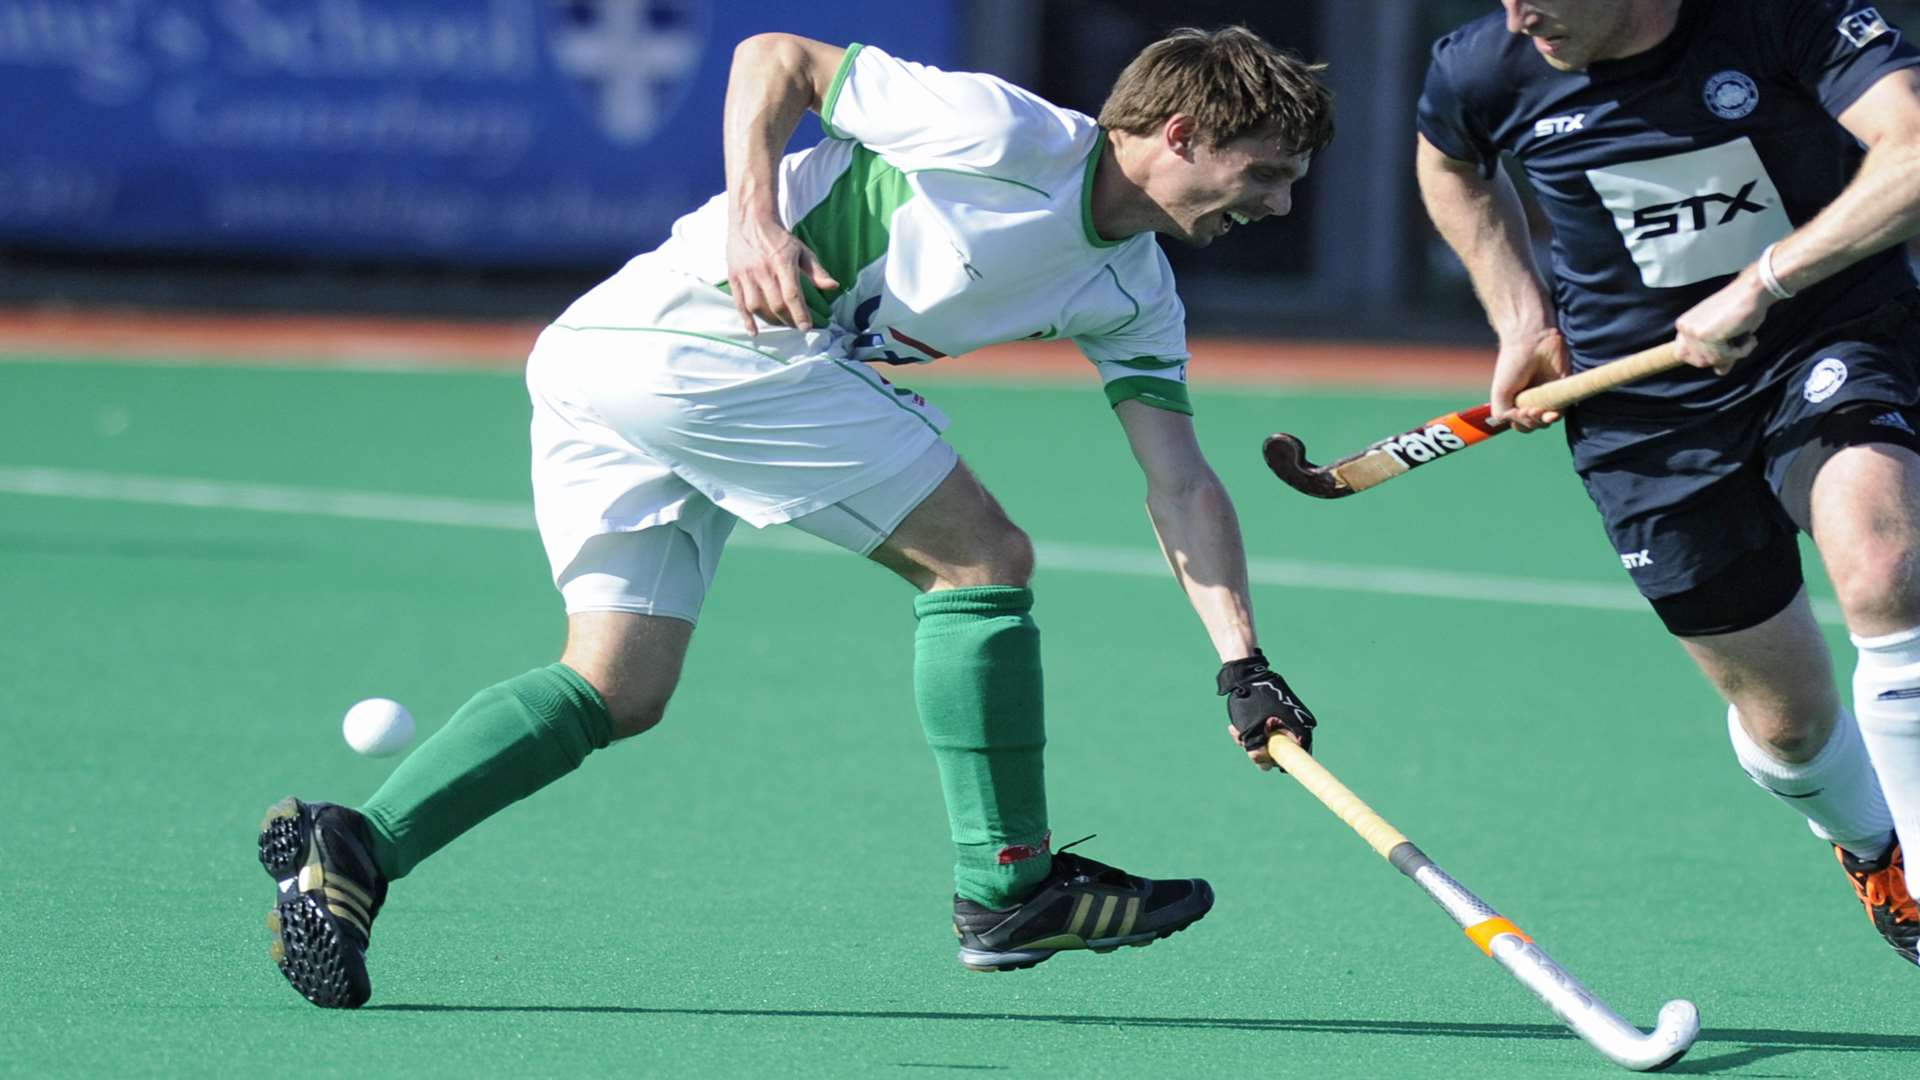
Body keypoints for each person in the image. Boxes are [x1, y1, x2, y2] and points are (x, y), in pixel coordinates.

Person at [256, 26, 1336, 1007]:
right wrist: (755, 219)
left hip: (623, 362)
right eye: (1267, 173)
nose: (1278, 204)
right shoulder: (1007, 134)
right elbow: (774, 57)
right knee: (981, 561)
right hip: (700, 346)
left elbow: (1181, 481)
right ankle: (1009, 887)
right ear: (1184, 133)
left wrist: (1243, 663)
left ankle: (355, 849)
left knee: (615, 687)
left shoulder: (1134, 289)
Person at [1416, 0, 1920, 965]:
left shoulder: (1782, 19)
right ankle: (1870, 846)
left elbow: (1910, 146)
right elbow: (1450, 162)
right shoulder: (1488, 65)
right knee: (1789, 723)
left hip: (1825, 334)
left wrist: (1764, 282)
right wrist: (1520, 317)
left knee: (1884, 565)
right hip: (1642, 414)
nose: (1521, 17)